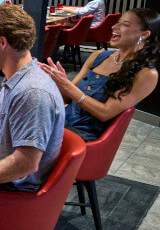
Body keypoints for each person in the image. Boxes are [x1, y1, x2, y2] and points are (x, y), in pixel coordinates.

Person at [0, 5, 65, 190]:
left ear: (2, 42)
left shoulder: (32, 92)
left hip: (10, 190)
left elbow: (26, 163)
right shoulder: (19, 79)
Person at [40, 9, 159, 141]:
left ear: (144, 34)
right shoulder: (98, 56)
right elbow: (67, 98)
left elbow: (104, 113)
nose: (114, 27)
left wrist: (66, 84)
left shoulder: (147, 74)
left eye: (125, 24)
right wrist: (56, 84)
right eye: (117, 23)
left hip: (81, 136)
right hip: (62, 122)